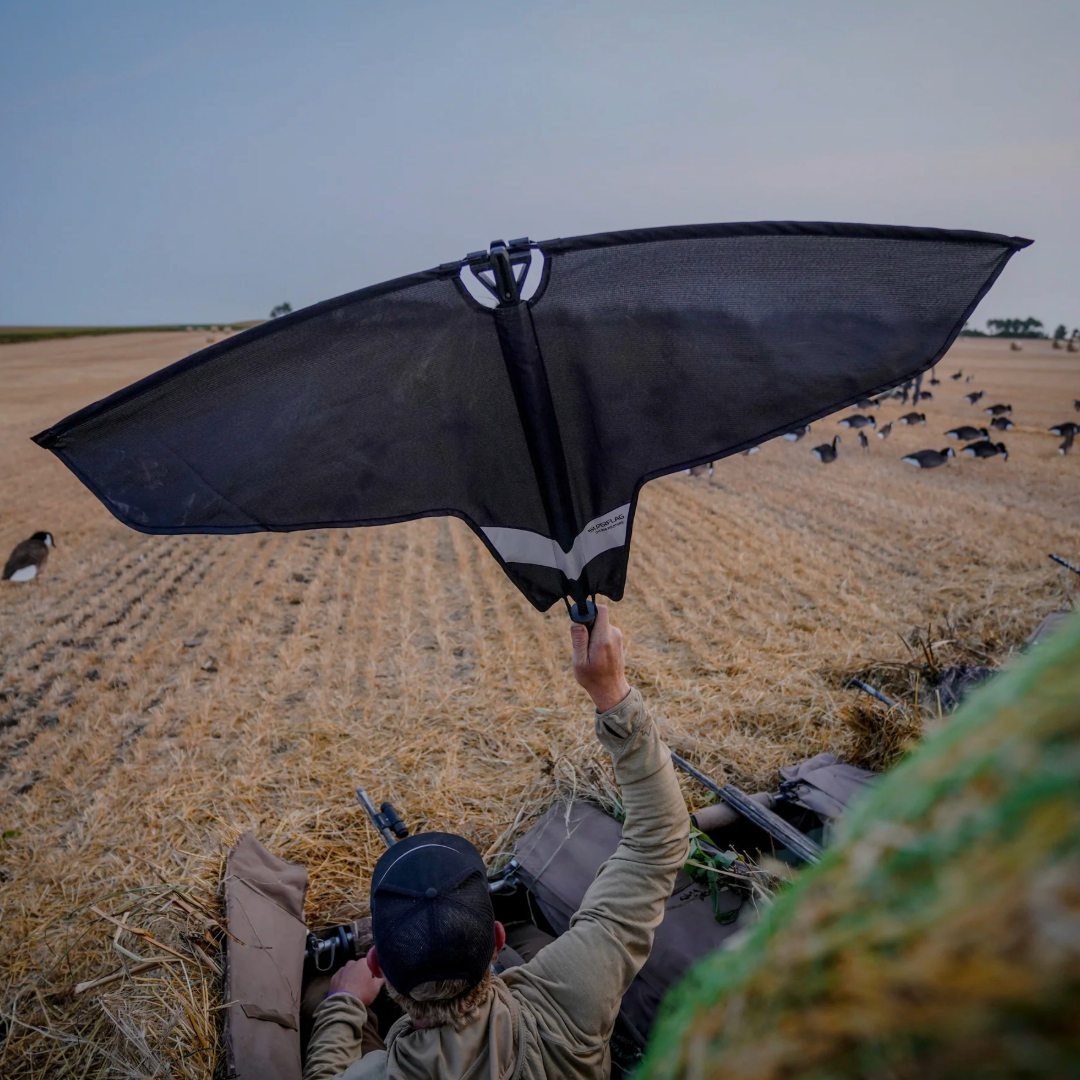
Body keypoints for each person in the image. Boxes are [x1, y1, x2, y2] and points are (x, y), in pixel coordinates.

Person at [303, 605, 690, 1080]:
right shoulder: (574, 992)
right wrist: (611, 692)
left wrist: (343, 1004)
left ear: (378, 964)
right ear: (497, 942)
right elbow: (658, 842)